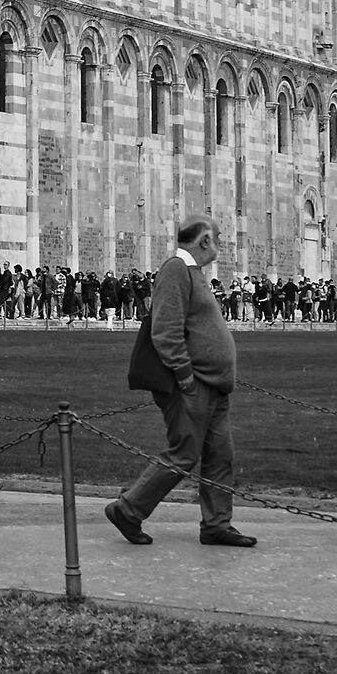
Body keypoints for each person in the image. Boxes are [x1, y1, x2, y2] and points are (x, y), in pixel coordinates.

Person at [103, 217, 255, 549]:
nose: (220, 244)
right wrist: (185, 374)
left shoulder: (194, 274)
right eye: (217, 238)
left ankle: (216, 524)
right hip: (193, 384)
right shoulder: (175, 270)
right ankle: (128, 509)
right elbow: (166, 329)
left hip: (213, 385)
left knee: (220, 455)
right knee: (184, 453)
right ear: (203, 241)